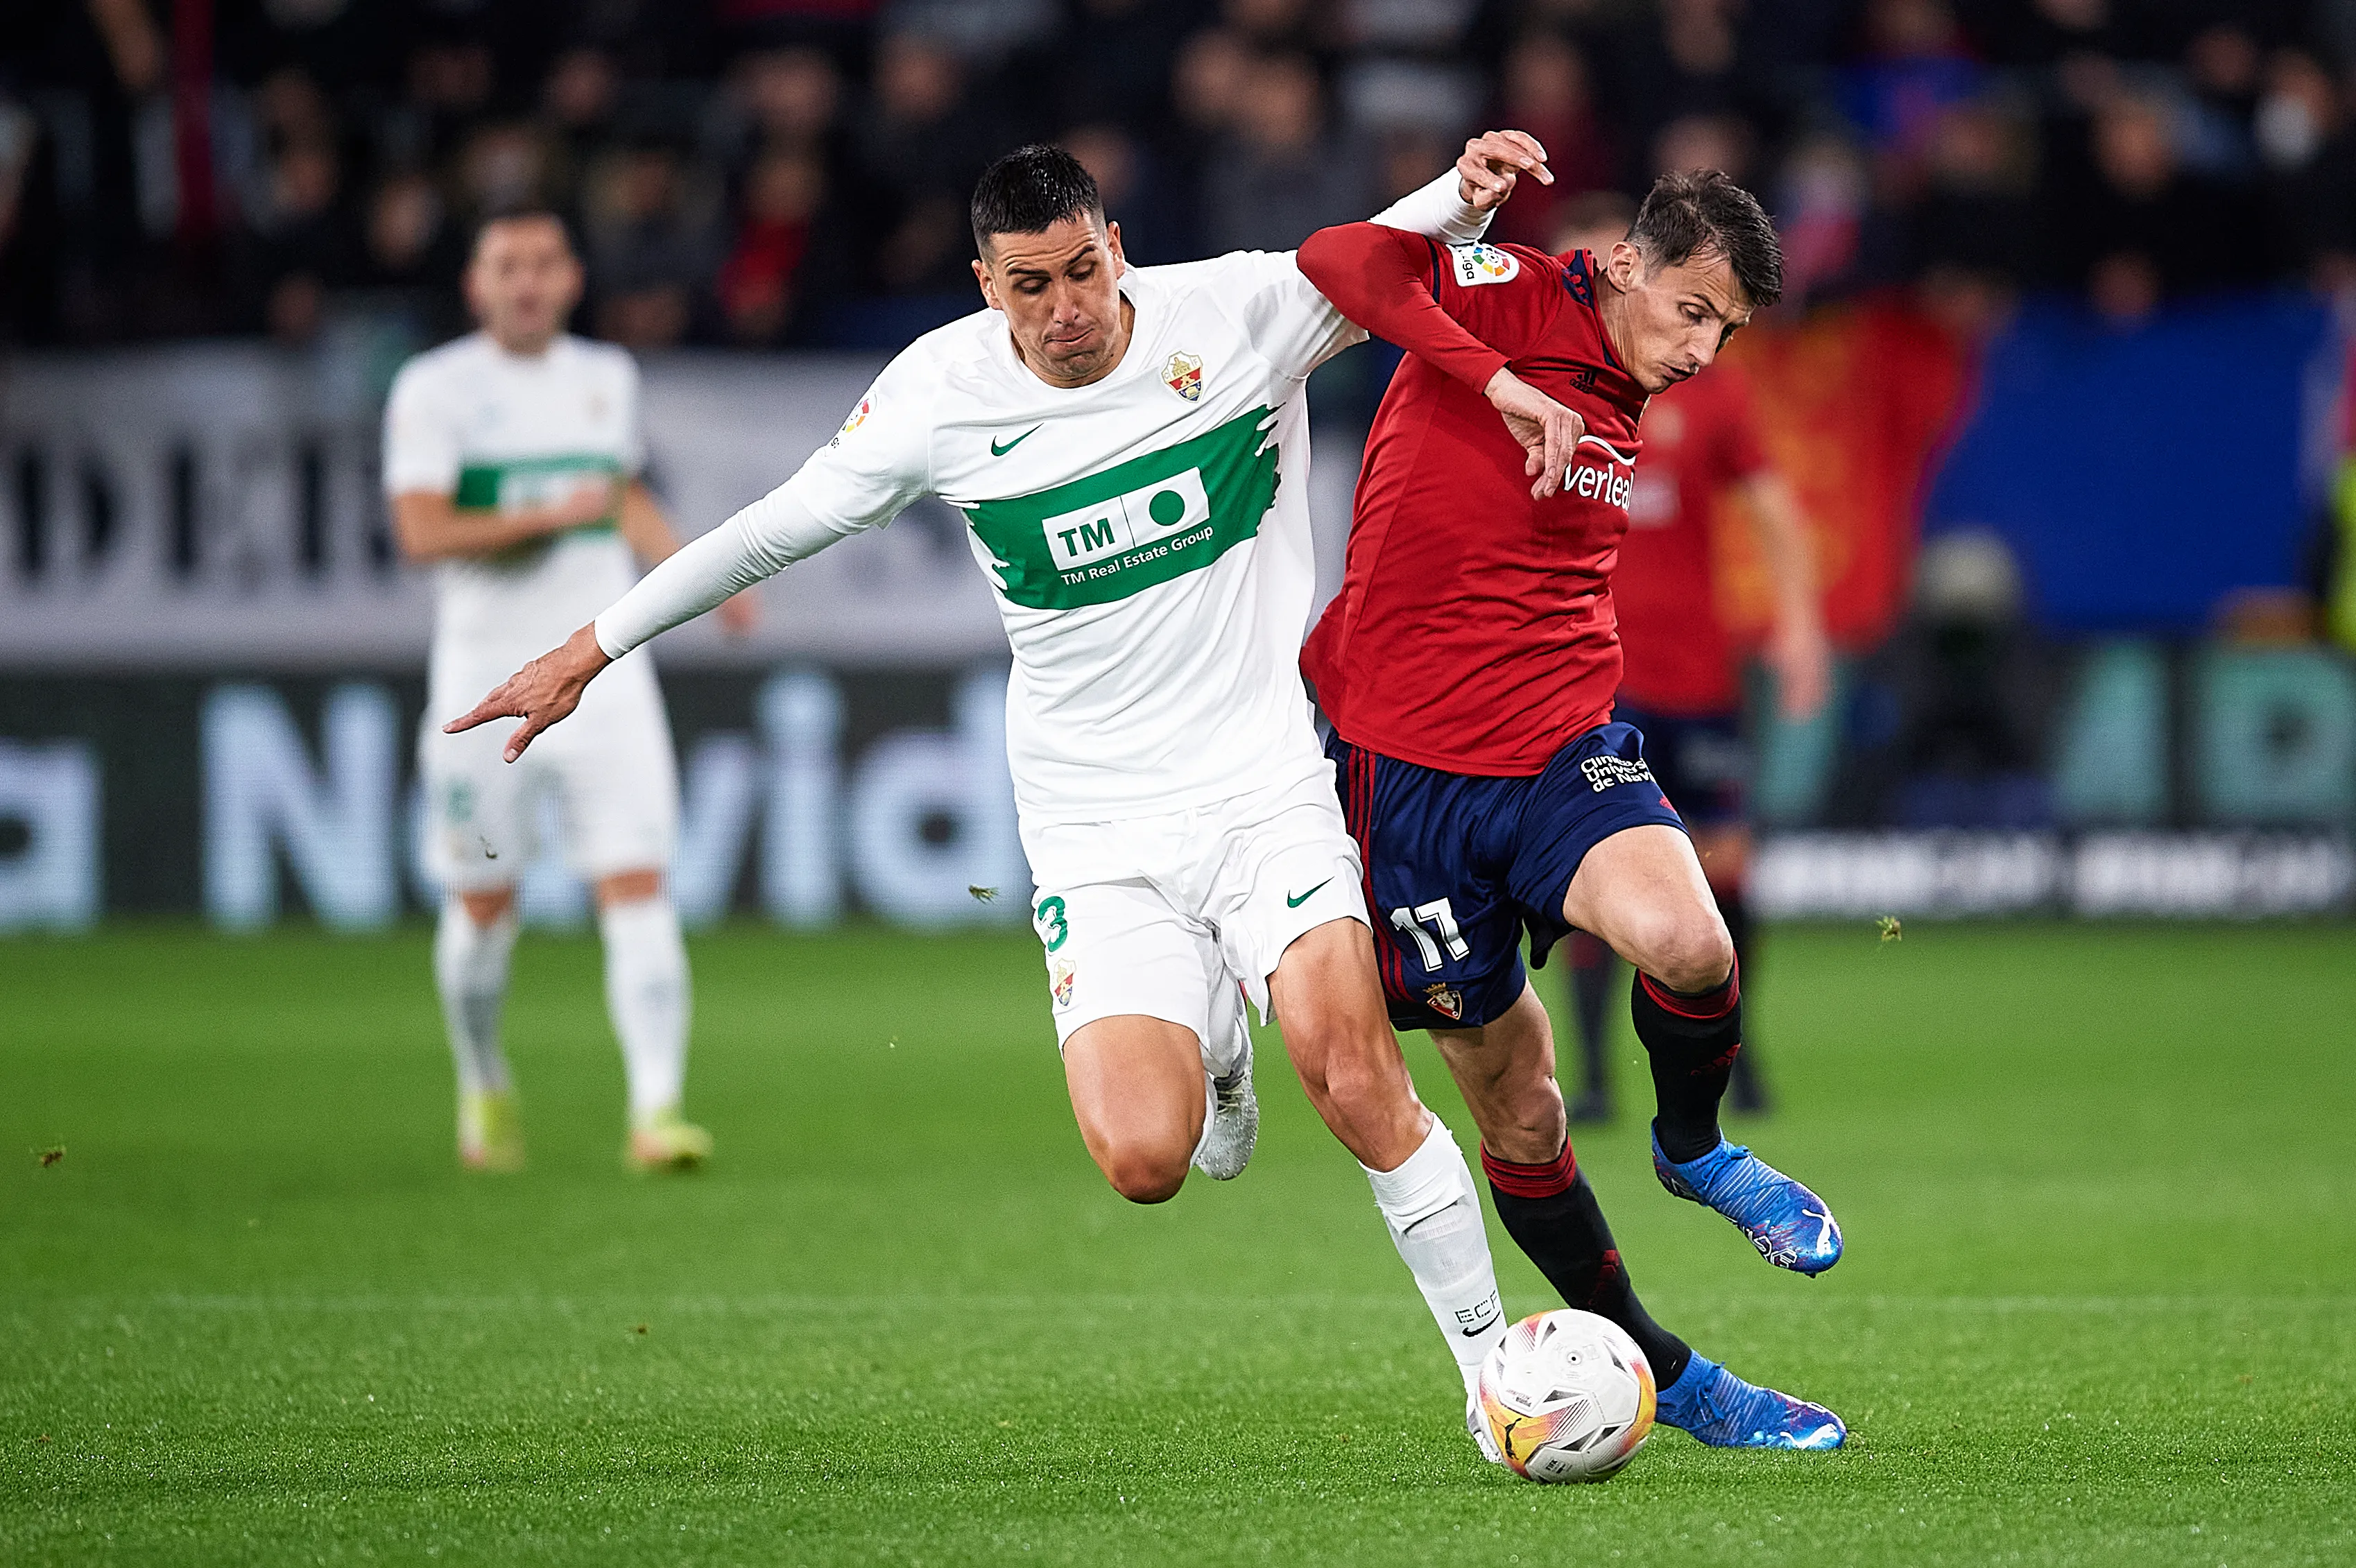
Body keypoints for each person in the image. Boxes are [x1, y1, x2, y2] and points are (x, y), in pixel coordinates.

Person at [445, 137, 1558, 1458]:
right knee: (1146, 1159)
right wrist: (589, 650)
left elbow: (1372, 249)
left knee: (1358, 1072)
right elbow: (769, 527)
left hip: (1263, 785)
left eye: (1084, 272)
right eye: (1031, 287)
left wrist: (1464, 189)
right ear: (986, 285)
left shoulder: (1235, 317)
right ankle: (1212, 1034)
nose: (1067, 310)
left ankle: (1497, 1379)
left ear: (1118, 246)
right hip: (1094, 825)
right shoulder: (938, 396)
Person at [1294, 169, 1846, 1449]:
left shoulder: (1640, 386)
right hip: (1404, 778)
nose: (1703, 350)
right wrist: (1496, 380)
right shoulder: (1512, 293)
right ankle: (1676, 1374)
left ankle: (1696, 1147)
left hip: (1559, 743)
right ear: (1622, 263)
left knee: (1694, 940)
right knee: (1522, 1111)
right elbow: (1338, 258)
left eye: (1727, 332)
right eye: (1693, 310)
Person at [383, 210, 756, 1175]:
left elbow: (619, 493)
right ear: (475, 285)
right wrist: (549, 515)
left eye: (544, 262)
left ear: (573, 277)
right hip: (484, 683)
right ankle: (482, 1079)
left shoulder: (606, 379)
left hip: (604, 681)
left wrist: (698, 574)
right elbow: (422, 534)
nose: (527, 282)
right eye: (506, 265)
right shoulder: (435, 389)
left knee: (638, 885)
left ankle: (657, 1113)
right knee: (482, 909)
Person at [1548, 194, 1831, 1123]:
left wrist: (1798, 628)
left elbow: (1775, 506)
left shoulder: (1704, 381)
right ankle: (1593, 1080)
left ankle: (1735, 1062)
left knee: (1724, 870)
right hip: (1593, 684)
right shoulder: (1541, 384)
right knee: (1596, 875)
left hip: (1699, 676)